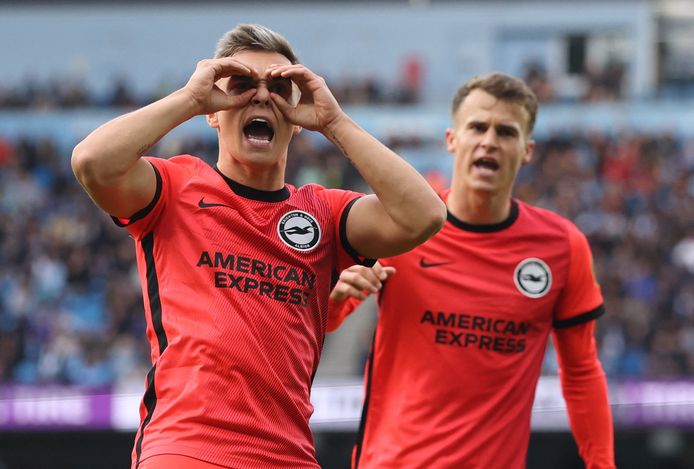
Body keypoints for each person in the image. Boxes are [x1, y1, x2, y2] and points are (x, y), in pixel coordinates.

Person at [71, 24, 446, 469]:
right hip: (186, 449)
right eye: (243, 84)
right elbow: (92, 162)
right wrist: (190, 100)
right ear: (214, 109)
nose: (262, 96)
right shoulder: (174, 187)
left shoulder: (323, 214)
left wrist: (335, 122)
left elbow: (424, 216)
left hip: (289, 456)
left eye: (280, 87)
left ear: (297, 116)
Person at [329, 73, 616, 468]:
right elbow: (323, 323)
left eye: (506, 132)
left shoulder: (562, 247)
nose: (489, 141)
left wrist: (602, 464)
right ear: (452, 139)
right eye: (478, 127)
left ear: (527, 149)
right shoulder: (402, 228)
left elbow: (582, 371)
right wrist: (336, 295)